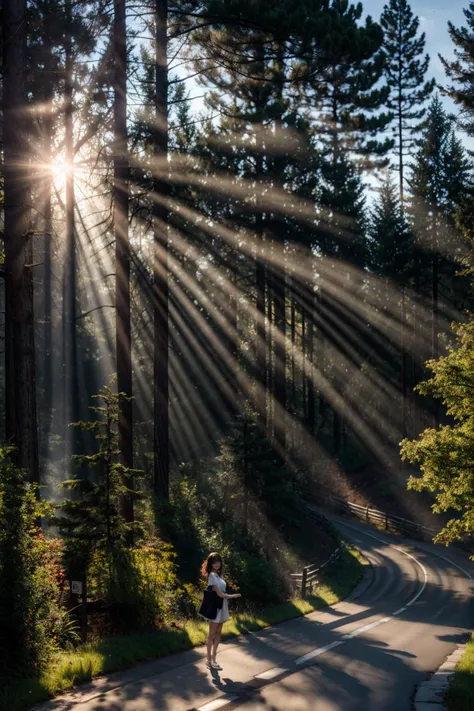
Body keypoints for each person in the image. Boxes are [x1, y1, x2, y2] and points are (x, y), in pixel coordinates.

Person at [200, 552, 241, 670]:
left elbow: (222, 593)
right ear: (210, 563)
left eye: (218, 562)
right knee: (212, 634)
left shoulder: (218, 575)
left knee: (218, 633)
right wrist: (234, 596)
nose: (217, 564)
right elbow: (220, 594)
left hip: (222, 606)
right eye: (214, 562)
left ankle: (213, 659)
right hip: (216, 607)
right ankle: (209, 660)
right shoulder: (212, 576)